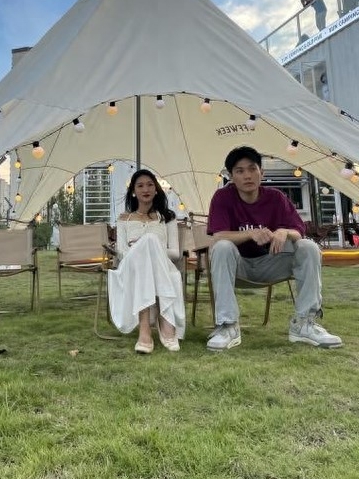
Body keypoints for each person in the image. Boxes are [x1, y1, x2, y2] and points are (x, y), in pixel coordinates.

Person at [205, 146, 342, 351]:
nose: (247, 175)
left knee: (309, 247)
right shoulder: (223, 197)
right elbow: (218, 236)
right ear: (231, 177)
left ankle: (304, 323)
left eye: (252, 169)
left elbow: (299, 231)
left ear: (262, 172)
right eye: (240, 171)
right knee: (222, 247)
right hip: (238, 266)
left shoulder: (276, 197)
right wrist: (251, 233)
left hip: (271, 262)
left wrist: (284, 231)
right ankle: (228, 326)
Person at [108, 169, 185, 354]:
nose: (146, 189)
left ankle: (145, 330)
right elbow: (122, 253)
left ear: (156, 189)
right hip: (131, 267)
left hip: (162, 266)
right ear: (134, 191)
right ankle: (161, 323)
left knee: (150, 241)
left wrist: (151, 248)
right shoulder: (124, 219)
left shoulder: (167, 218)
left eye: (150, 185)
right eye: (140, 185)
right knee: (147, 244)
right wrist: (141, 249)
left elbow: (175, 253)